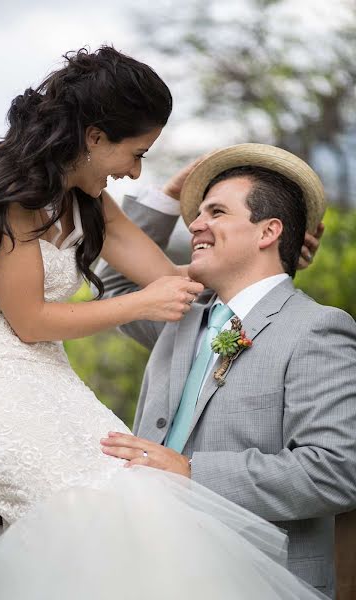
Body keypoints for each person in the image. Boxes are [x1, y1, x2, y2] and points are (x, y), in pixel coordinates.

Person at [0, 43, 326, 599]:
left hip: (46, 376)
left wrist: (265, 252)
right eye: (136, 153)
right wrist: (138, 305)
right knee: (82, 511)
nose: (135, 172)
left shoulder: (88, 198)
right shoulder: (4, 190)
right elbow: (29, 320)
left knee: (131, 487)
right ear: (95, 137)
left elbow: (166, 279)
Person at [98, 143, 356, 599]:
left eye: (216, 212)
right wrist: (168, 196)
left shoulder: (317, 329)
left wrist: (190, 472)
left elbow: (337, 470)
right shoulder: (176, 315)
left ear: (267, 232)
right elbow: (113, 285)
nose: (195, 223)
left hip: (256, 580)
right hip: (147, 565)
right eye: (195, 213)